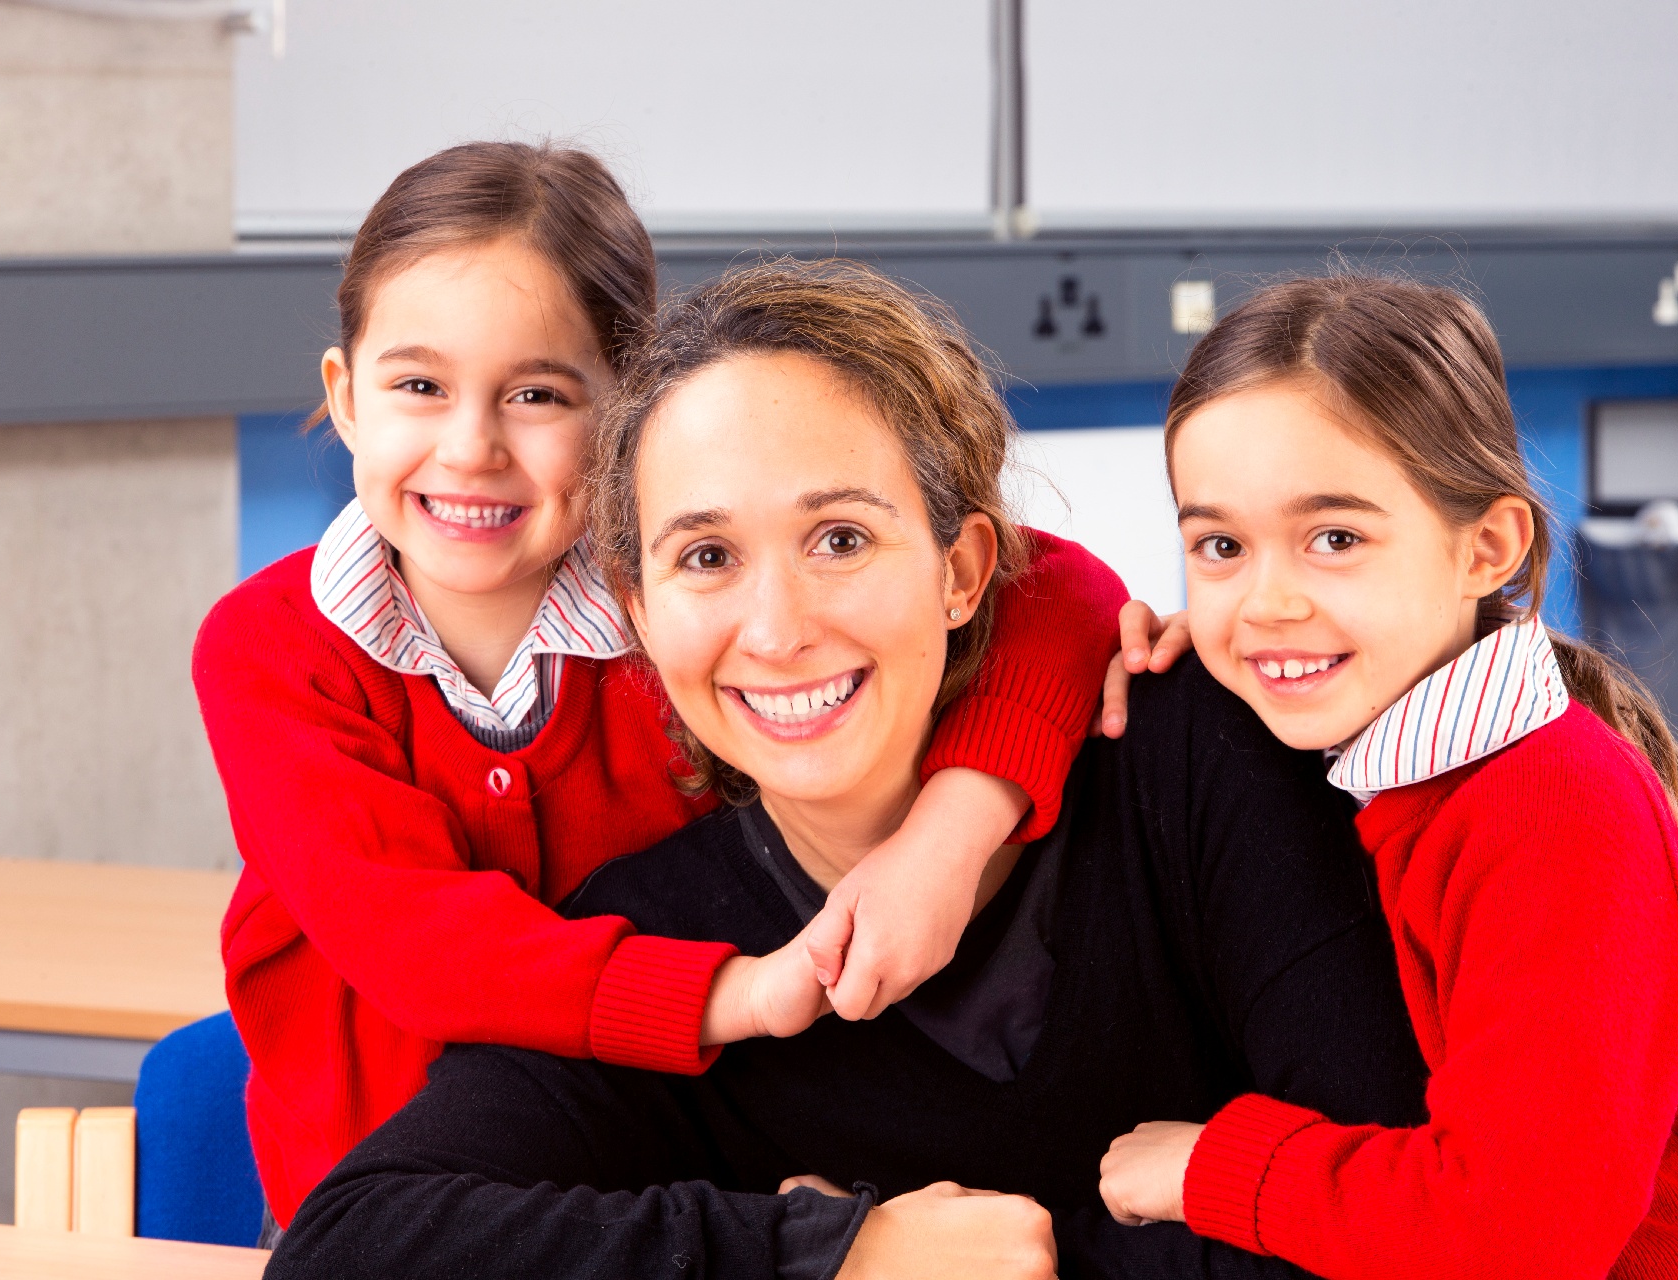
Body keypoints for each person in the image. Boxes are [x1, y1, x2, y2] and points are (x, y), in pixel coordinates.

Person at [264, 259, 1431, 1280]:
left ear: (965, 569)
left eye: (840, 539)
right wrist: (822, 1253)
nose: (775, 629)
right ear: (638, 609)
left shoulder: (1202, 758)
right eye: (707, 556)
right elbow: (350, 1245)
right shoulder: (661, 946)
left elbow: (1404, 1230)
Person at [191, 142, 1137, 1232]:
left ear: (625, 410)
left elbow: (1049, 583)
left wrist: (949, 833)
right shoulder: (267, 649)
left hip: (688, 1209)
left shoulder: (693, 609)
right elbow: (418, 946)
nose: (471, 447)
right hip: (414, 1220)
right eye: (418, 386)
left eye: (538, 393)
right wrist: (738, 992)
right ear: (345, 396)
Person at [1097, 275, 1678, 1278]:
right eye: (1221, 546)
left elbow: (1515, 1234)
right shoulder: (1406, 762)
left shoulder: (1551, 810)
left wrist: (1212, 1165)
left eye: (1335, 539)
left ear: (1486, 547)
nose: (1267, 598)